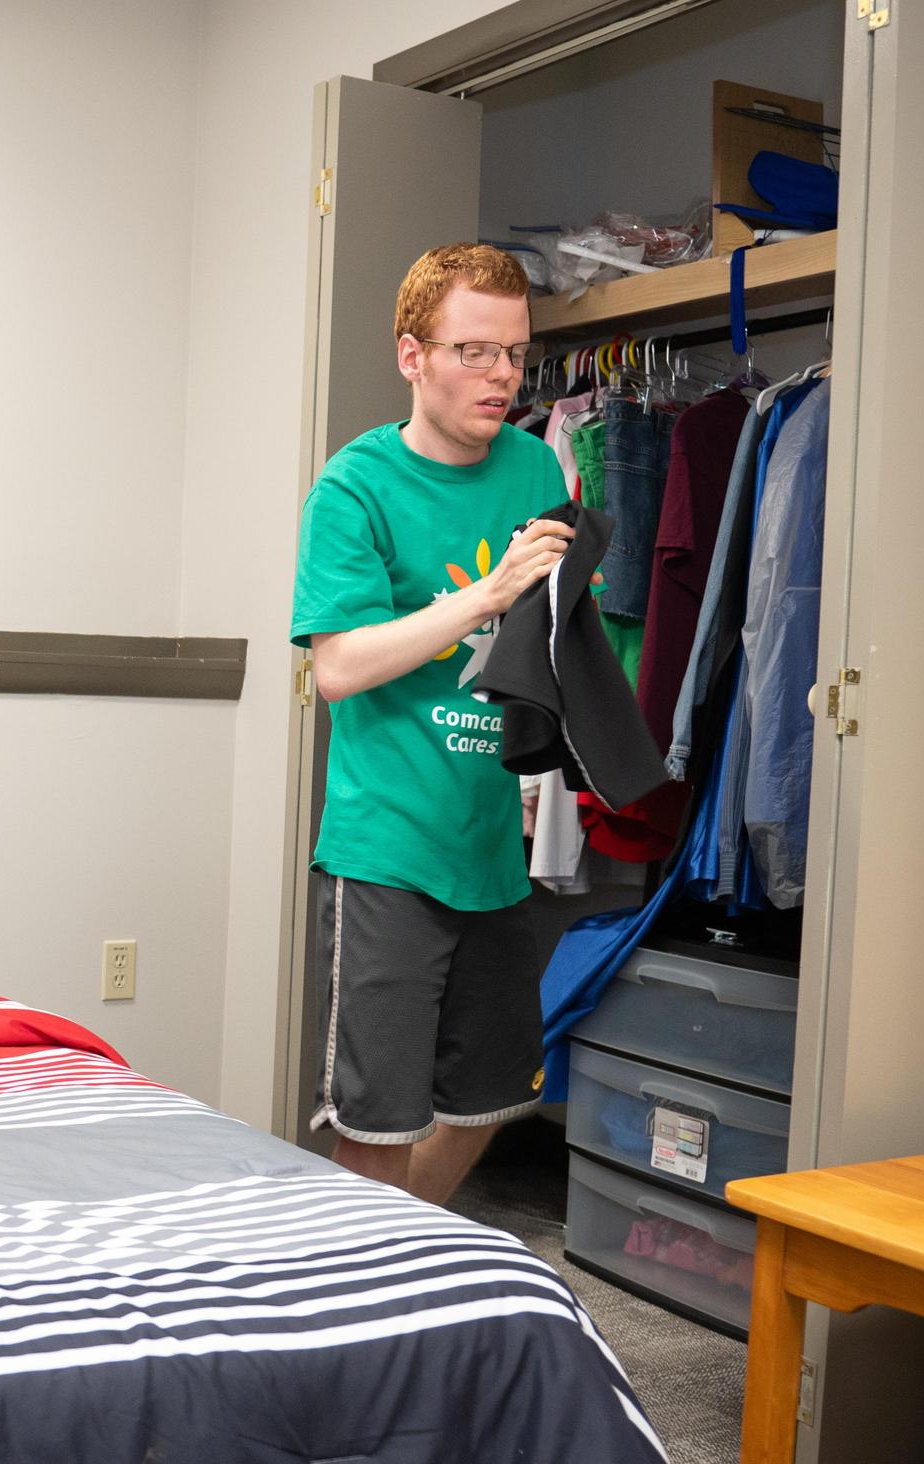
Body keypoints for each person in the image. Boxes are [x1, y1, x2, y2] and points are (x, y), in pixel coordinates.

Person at [290, 242, 586, 1205]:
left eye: (516, 353)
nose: (503, 376)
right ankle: (364, 1275)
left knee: (489, 1102)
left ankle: (405, 1250)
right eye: (475, 352)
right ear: (412, 357)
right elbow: (339, 667)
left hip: (491, 848)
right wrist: (486, 594)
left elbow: (548, 639)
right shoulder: (354, 487)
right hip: (387, 850)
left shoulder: (536, 465)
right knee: (378, 1124)